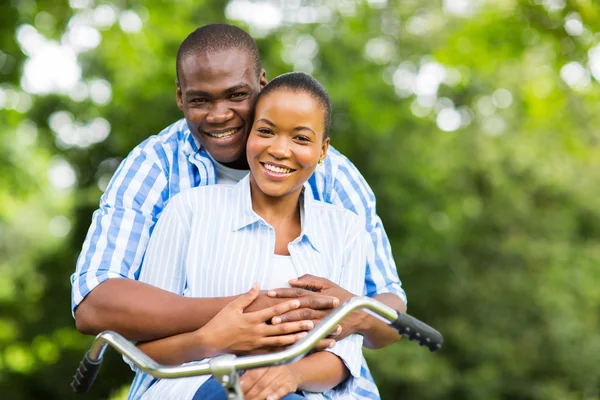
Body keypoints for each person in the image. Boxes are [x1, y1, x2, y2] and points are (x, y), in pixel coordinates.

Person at [71, 24, 406, 399]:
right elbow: (94, 303)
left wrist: (347, 313)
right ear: (180, 98)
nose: (220, 115)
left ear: (261, 83)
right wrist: (239, 319)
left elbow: (386, 305)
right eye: (201, 100)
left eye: (236, 95)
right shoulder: (169, 181)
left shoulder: (336, 190)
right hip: (197, 382)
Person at [133, 71, 369, 400]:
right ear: (250, 135)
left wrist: (288, 375)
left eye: (300, 138)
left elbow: (343, 357)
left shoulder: (346, 230)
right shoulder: (189, 211)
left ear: (322, 150)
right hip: (192, 388)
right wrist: (213, 340)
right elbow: (142, 348)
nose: (279, 150)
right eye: (266, 131)